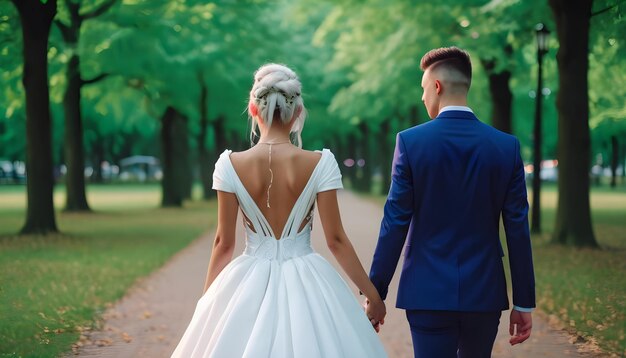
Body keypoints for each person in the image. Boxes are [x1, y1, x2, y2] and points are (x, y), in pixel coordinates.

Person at [171, 63, 387, 358]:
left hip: (247, 278)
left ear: (253, 108)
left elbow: (224, 243)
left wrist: (208, 302)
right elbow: (336, 241)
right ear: (298, 111)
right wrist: (372, 296)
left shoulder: (228, 165)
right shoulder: (321, 163)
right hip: (308, 277)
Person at [366, 47, 536, 357]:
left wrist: (376, 292)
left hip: (427, 290)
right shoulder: (505, 147)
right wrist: (523, 301)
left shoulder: (410, 143)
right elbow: (517, 230)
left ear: (437, 86)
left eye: (423, 89)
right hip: (484, 292)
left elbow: (395, 222)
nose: (422, 98)